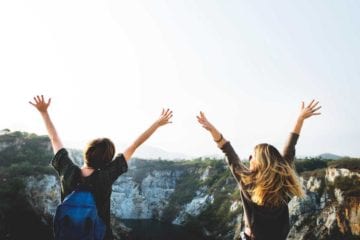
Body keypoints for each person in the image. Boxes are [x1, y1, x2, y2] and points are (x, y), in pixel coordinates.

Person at [30, 95, 173, 240]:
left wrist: (44, 112)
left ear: (86, 152)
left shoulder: (68, 171)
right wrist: (157, 123)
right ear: (108, 160)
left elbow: (54, 138)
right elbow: (135, 145)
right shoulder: (106, 176)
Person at [196, 100, 321, 240]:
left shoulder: (247, 182)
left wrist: (212, 129)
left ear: (261, 162)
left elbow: (227, 150)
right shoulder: (282, 180)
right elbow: (290, 145)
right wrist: (300, 119)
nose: (249, 158)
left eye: (252, 156)